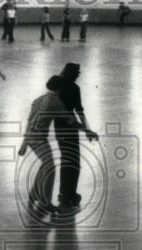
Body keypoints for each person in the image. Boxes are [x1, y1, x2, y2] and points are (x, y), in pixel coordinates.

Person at [18, 76, 98, 220]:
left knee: (46, 164)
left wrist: (24, 142)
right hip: (39, 138)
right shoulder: (55, 101)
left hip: (31, 137)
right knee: (51, 166)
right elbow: (70, 120)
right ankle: (45, 202)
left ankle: (35, 193)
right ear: (60, 89)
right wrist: (88, 131)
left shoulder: (38, 100)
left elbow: (30, 121)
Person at [55, 63, 92, 211]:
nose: (78, 75)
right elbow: (79, 111)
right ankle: (70, 194)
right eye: (77, 73)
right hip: (70, 129)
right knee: (74, 163)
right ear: (72, 74)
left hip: (59, 127)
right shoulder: (74, 88)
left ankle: (64, 193)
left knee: (66, 159)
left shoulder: (58, 86)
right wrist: (87, 129)